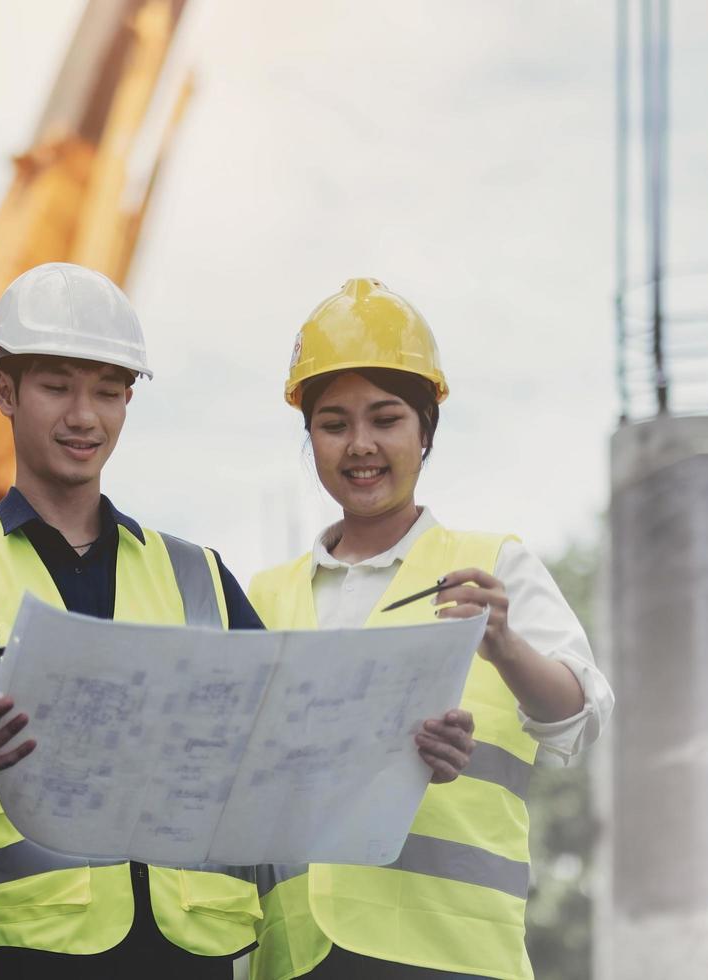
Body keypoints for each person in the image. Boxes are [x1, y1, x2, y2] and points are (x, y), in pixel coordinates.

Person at [0, 263, 474, 978]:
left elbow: (289, 736)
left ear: (129, 400)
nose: (83, 416)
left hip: (200, 943)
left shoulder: (199, 576)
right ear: (4, 391)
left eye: (106, 391)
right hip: (39, 945)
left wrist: (405, 751)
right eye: (56, 386)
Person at [248, 279, 616, 980]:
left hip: (454, 955)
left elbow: (577, 722)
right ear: (310, 438)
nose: (360, 445)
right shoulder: (264, 597)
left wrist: (504, 647)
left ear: (425, 429)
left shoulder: (493, 565)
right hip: (295, 956)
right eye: (333, 424)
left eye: (385, 419)